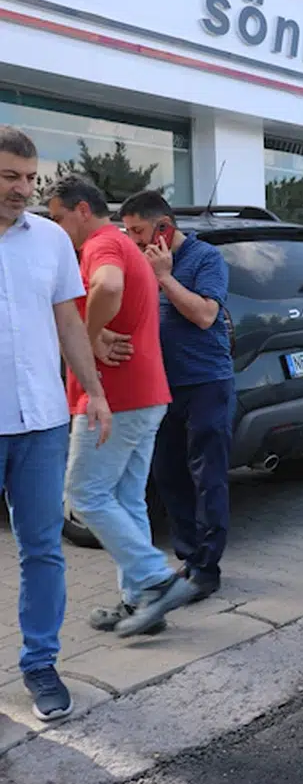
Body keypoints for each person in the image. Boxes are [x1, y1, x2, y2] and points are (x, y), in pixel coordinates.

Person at [47, 175, 200, 639]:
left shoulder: (102, 245)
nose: (57, 229)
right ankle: (142, 599)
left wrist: (86, 338)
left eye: (57, 218)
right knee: (127, 499)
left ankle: (156, 577)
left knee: (85, 493)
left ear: (81, 211)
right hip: (146, 394)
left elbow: (108, 287)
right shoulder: (124, 244)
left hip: (116, 398)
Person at [0, 128, 112, 720]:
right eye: (9, 176)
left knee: (43, 549)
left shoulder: (48, 239)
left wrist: (93, 392)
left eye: (28, 177)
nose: (23, 189)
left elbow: (70, 323)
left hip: (41, 420)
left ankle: (40, 664)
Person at [119, 191, 234, 603]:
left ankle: (207, 568)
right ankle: (187, 558)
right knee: (168, 473)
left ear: (164, 227)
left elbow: (205, 315)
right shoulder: (139, 259)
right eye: (127, 231)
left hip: (206, 382)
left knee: (208, 477)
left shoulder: (205, 259)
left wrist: (165, 277)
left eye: (139, 230)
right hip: (159, 386)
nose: (132, 239)